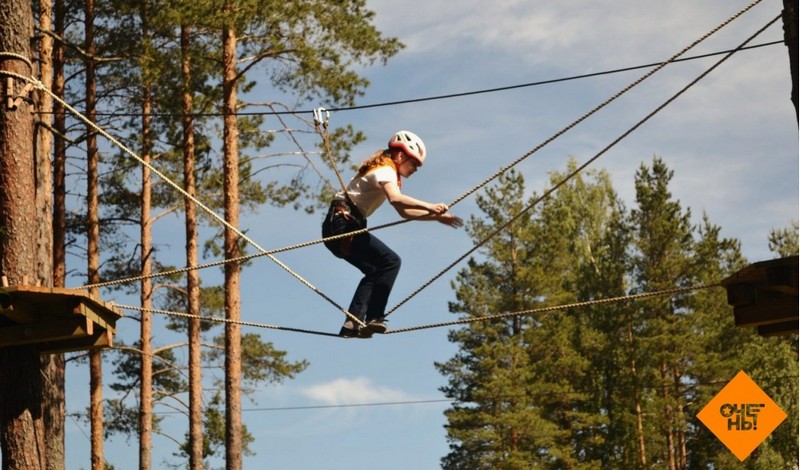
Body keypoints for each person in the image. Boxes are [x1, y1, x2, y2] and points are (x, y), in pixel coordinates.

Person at [322, 130, 463, 338]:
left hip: (341, 226)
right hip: (344, 224)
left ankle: (352, 323)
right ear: (400, 156)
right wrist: (430, 206)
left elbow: (404, 212)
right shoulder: (386, 168)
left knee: (376, 270)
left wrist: (435, 217)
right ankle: (374, 317)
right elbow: (396, 199)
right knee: (390, 261)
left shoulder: (388, 172)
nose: (415, 169)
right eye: (414, 163)